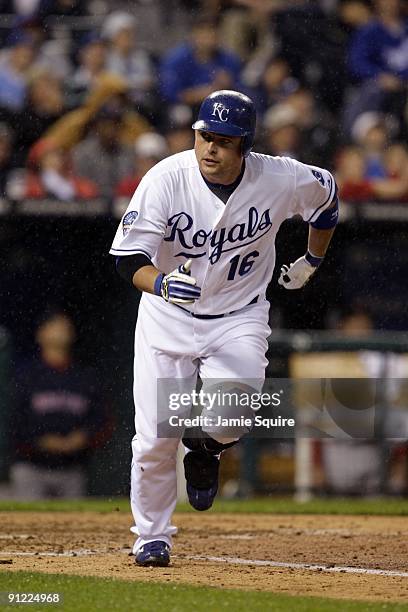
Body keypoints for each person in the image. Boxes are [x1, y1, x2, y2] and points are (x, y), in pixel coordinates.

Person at [110, 89, 338, 567]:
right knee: (154, 436)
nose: (210, 148)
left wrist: (312, 260)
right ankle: (152, 536)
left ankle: (207, 447)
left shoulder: (278, 176)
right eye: (204, 136)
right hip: (167, 316)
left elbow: (328, 199)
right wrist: (163, 283)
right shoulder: (166, 178)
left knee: (233, 419)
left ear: (244, 146)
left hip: (239, 315)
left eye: (223, 140)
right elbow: (126, 259)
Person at [10, 311, 111, 499]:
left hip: (72, 467)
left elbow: (101, 419)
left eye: (65, 326)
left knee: (75, 525)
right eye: (55, 325)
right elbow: (13, 418)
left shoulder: (84, 376)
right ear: (41, 333)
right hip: (31, 466)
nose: (62, 330)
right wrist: (39, 440)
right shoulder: (26, 376)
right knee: (29, 521)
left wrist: (82, 437)